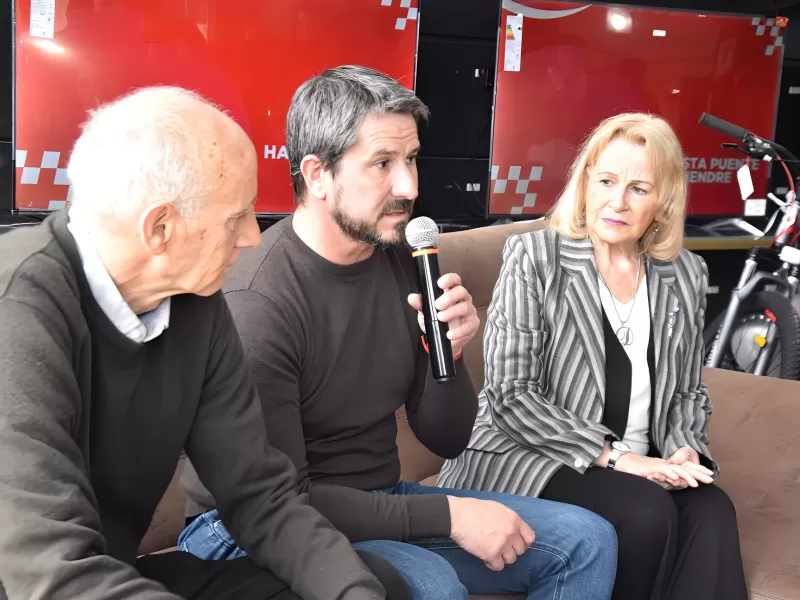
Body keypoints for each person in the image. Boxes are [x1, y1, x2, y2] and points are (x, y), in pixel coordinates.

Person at [178, 65, 618, 600]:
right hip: (248, 527)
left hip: (378, 500)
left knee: (587, 540)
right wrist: (449, 513)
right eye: (382, 163)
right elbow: (279, 502)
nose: (409, 186)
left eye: (410, 159)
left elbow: (447, 437)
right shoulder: (259, 306)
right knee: (432, 585)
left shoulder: (406, 260)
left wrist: (449, 357)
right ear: (318, 175)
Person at [0, 85, 411, 600]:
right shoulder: (19, 307)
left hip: (111, 573)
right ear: (161, 227)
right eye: (235, 217)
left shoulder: (196, 300)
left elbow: (259, 496)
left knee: (373, 584)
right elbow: (48, 570)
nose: (252, 238)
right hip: (35, 581)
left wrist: (353, 590)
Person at [437, 112, 748, 600]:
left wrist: (684, 450)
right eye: (606, 180)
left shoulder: (685, 273)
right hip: (532, 454)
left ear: (664, 201)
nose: (617, 201)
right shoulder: (535, 257)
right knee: (646, 512)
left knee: (712, 510)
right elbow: (510, 396)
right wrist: (621, 459)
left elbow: (688, 390)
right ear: (585, 182)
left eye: (639, 188)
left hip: (645, 462)